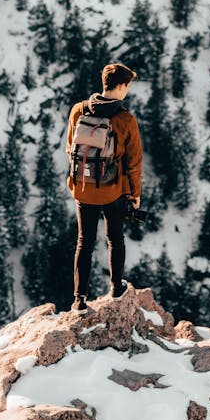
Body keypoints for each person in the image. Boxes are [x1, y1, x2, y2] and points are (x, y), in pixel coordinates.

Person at [65, 63, 143, 314]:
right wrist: (135, 194)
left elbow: (70, 148)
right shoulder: (125, 119)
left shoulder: (79, 110)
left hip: (83, 188)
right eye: (128, 86)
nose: (127, 91)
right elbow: (134, 163)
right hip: (112, 191)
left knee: (83, 242)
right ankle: (116, 288)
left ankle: (79, 299)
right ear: (120, 86)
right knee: (115, 239)